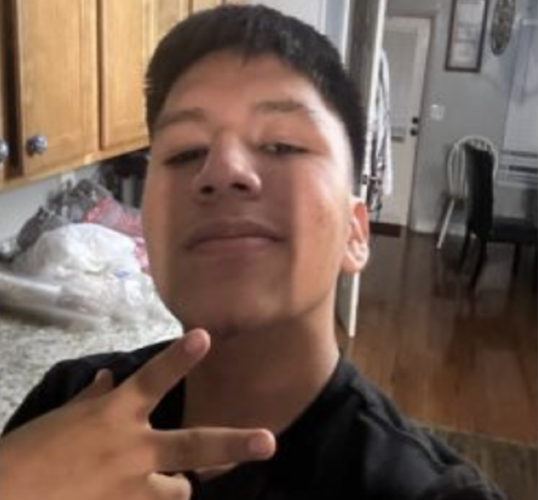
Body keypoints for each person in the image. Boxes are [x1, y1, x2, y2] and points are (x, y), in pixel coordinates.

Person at [0, 5, 504, 500]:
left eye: (282, 145)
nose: (221, 170)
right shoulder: (69, 406)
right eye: (185, 152)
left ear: (356, 234)